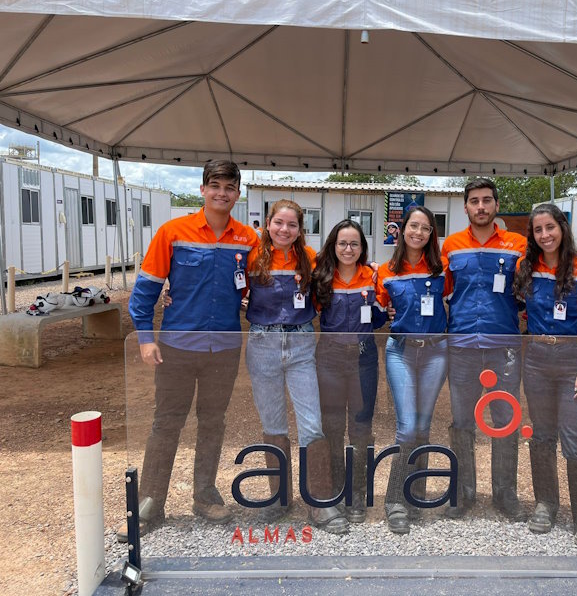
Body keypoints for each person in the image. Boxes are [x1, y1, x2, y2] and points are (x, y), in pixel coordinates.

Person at [441, 178, 577, 521]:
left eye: (487, 200)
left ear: (497, 206)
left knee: (507, 422)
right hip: (462, 347)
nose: (481, 207)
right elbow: (434, 285)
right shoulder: (451, 246)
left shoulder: (519, 248)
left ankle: (506, 495)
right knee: (461, 423)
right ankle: (463, 494)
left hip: (506, 348)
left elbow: (554, 280)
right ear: (466, 207)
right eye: (474, 201)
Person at [122, 160, 259, 540]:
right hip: (177, 349)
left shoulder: (248, 239)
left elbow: (263, 283)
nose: (222, 193)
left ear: (237, 193)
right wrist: (146, 338)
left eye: (230, 187)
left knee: (213, 423)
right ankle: (150, 503)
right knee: (166, 423)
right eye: (215, 185)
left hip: (225, 349)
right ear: (202, 189)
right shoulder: (173, 232)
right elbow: (146, 290)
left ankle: (204, 495)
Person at [245, 199, 348, 534]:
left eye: (292, 225)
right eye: (278, 223)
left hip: (302, 344)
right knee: (273, 423)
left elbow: (331, 287)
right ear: (268, 224)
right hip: (262, 344)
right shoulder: (252, 256)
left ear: (300, 229)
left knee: (311, 422)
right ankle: (278, 498)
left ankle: (319, 502)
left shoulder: (312, 259)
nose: (284, 230)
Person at [513, 203, 577, 549]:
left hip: (573, 362)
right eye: (538, 230)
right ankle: (546, 503)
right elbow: (518, 305)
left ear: (562, 228)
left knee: (575, 440)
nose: (545, 235)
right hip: (536, 359)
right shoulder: (526, 267)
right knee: (541, 436)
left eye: (550, 227)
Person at [375, 206, 451, 534]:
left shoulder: (443, 268)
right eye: (413, 226)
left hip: (436, 352)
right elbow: (378, 312)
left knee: (423, 426)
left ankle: (416, 495)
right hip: (401, 352)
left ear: (432, 233)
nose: (418, 232)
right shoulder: (386, 270)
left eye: (425, 228)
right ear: (401, 229)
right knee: (406, 427)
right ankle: (394, 500)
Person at [312, 220, 387, 523]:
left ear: (362, 248)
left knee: (360, 427)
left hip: (363, 358)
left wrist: (387, 309)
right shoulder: (320, 277)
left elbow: (380, 319)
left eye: (354, 244)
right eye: (342, 243)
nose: (348, 249)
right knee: (331, 425)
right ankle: (334, 489)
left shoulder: (372, 276)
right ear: (333, 245)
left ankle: (357, 492)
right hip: (328, 358)